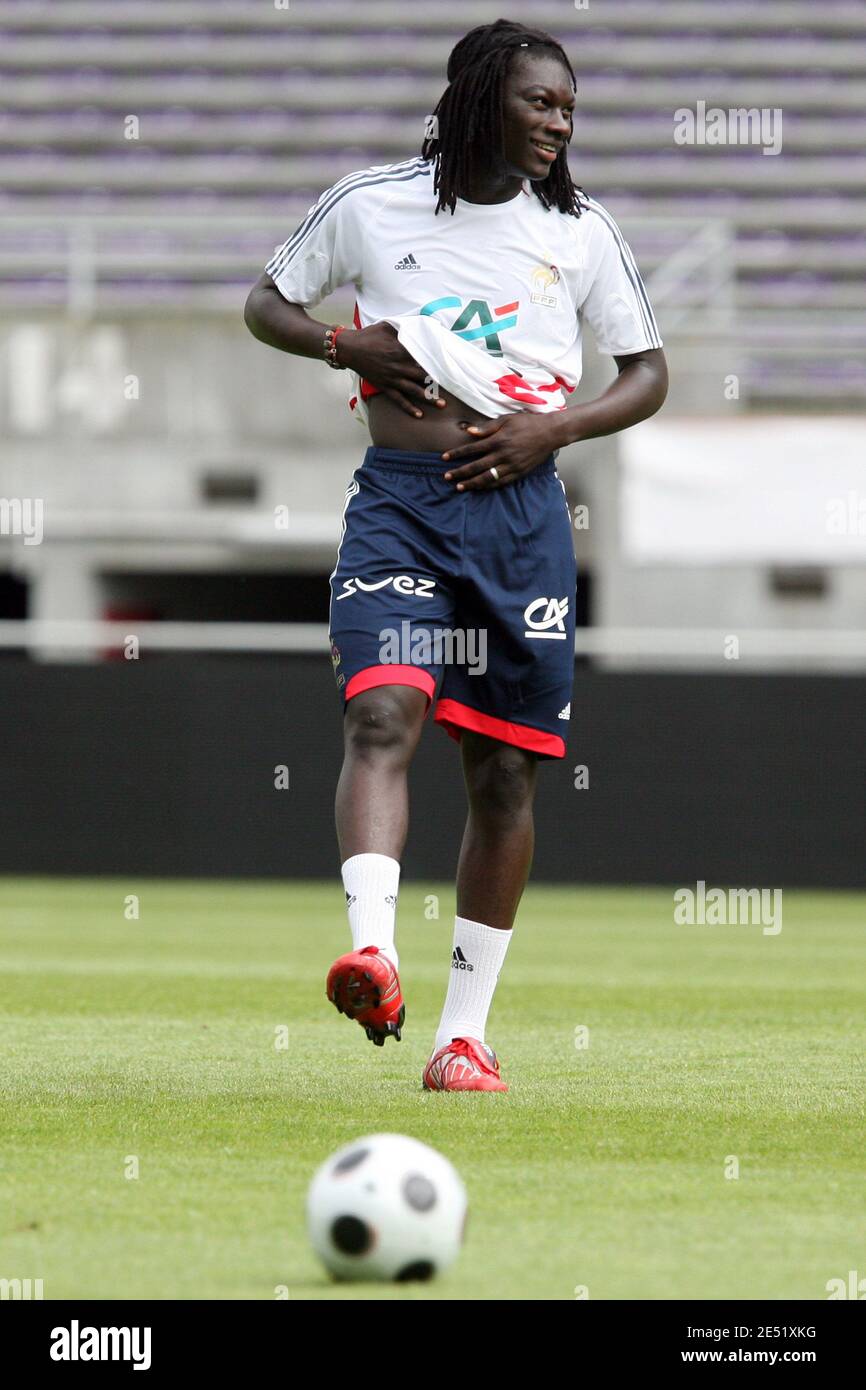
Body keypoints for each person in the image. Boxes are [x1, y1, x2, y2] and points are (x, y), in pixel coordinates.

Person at [244, 18, 668, 1092]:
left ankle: (462, 1036)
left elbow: (647, 370)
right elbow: (266, 303)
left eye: (567, 106)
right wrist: (345, 342)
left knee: (506, 774)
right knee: (381, 712)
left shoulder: (576, 231)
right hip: (400, 504)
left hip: (523, 516)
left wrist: (552, 429)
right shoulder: (370, 205)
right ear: (482, 98)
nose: (558, 122)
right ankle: (374, 952)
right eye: (540, 101)